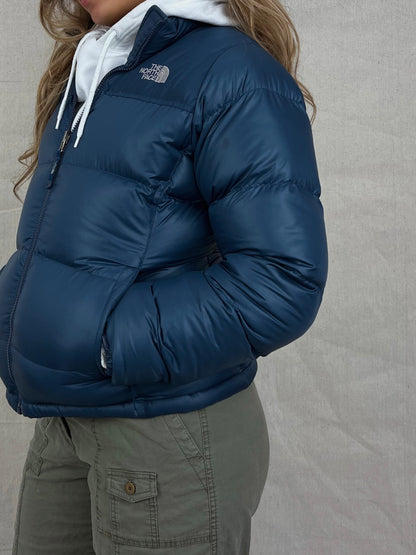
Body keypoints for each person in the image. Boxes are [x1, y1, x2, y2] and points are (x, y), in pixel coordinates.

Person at [0, 0, 328, 553]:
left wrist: (103, 344)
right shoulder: (99, 61)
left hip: (167, 428)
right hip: (66, 418)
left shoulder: (233, 73)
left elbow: (280, 281)